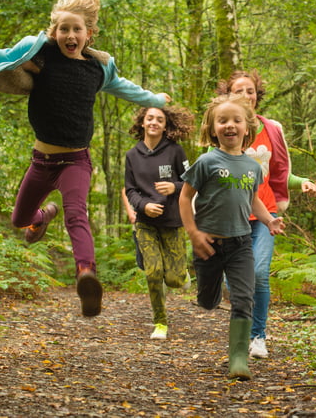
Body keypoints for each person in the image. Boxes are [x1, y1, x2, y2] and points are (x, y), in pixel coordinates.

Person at [0, 0, 171, 317]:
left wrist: (156, 100)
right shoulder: (39, 54)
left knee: (77, 213)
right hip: (42, 160)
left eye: (77, 29)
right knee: (20, 219)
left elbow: (129, 89)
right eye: (63, 29)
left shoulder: (99, 69)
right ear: (53, 32)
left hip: (76, 159)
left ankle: (86, 274)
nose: (70, 35)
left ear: (89, 33)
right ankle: (44, 216)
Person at [179, 94, 285, 380]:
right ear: (212, 128)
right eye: (222, 120)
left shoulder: (252, 167)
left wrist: (269, 220)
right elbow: (185, 195)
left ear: (246, 128)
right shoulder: (206, 161)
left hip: (241, 243)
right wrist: (193, 233)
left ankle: (238, 358)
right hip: (209, 245)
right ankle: (208, 295)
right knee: (207, 300)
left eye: (236, 120)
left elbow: (252, 200)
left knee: (244, 297)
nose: (230, 125)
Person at [216, 70, 316, 358]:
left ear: (257, 95)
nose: (246, 96)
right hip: (231, 215)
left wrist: (303, 183)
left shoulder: (271, 129)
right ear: (229, 96)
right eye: (239, 91)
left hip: (265, 213)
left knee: (259, 273)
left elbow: (280, 173)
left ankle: (258, 336)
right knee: (234, 281)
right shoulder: (224, 126)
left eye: (250, 91)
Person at [124, 105, 194, 340]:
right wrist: (143, 206)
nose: (154, 122)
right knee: (153, 272)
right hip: (145, 223)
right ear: (142, 122)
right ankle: (160, 323)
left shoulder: (175, 151)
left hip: (173, 221)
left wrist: (174, 186)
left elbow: (191, 181)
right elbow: (130, 189)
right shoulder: (132, 155)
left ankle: (182, 274)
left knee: (173, 279)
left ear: (166, 126)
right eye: (150, 118)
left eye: (160, 119)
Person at [121, 187, 144, 271]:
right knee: (142, 263)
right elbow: (125, 189)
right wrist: (130, 211)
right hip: (139, 224)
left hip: (165, 222)